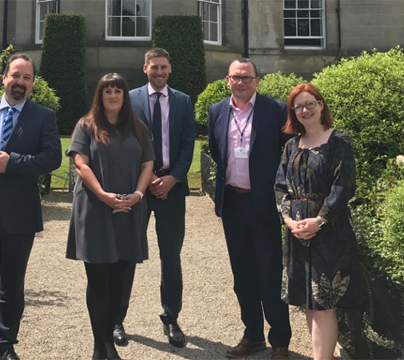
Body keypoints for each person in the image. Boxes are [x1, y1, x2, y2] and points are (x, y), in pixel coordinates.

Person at [0, 54, 61, 360]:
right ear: (3, 78)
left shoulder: (43, 116)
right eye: (15, 76)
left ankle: (4, 344)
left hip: (18, 212)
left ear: (32, 84)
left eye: (27, 78)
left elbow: (53, 158)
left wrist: (13, 163)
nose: (20, 82)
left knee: (12, 284)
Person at [207, 58, 292, 360]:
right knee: (242, 274)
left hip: (265, 204)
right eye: (235, 77)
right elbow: (218, 152)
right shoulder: (216, 110)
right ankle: (253, 335)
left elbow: (290, 154)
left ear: (257, 80)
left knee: (269, 272)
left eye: (246, 77)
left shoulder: (276, 110)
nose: (240, 82)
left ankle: (280, 341)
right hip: (233, 203)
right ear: (227, 81)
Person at [66, 73, 154, 360]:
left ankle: (108, 340)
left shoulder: (138, 127)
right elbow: (81, 164)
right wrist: (104, 196)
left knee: (119, 278)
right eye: (107, 91)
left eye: (118, 91)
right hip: (95, 210)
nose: (113, 96)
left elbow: (148, 164)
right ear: (100, 96)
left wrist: (139, 195)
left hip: (128, 210)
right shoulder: (86, 125)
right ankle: (100, 344)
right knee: (98, 278)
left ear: (124, 96)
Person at [114, 47, 195, 348]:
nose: (159, 72)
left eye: (163, 67)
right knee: (126, 254)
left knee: (171, 256)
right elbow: (120, 142)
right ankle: (116, 319)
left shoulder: (183, 101)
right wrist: (144, 181)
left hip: (171, 189)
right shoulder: (129, 98)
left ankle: (171, 318)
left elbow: (189, 145)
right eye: (154, 67)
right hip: (137, 189)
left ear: (170, 69)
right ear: (145, 68)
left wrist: (173, 178)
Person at [275, 84, 362, 360]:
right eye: (299, 106)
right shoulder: (291, 145)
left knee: (323, 304)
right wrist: (289, 220)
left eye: (310, 103)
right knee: (309, 303)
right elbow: (280, 186)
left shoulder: (339, 141)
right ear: (293, 112)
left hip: (329, 232)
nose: (305, 110)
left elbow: (343, 187)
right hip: (298, 232)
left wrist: (320, 221)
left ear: (321, 105)